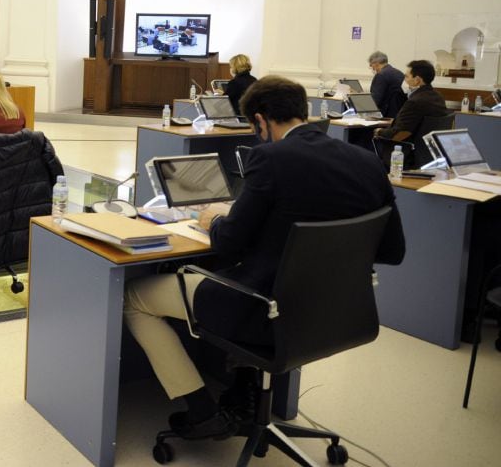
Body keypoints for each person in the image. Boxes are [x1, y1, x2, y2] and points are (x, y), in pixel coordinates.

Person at [122, 76, 404, 439]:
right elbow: (392, 250)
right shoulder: (368, 163)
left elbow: (228, 245)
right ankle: (241, 390)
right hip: (339, 311)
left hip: (264, 309)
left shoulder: (270, 158)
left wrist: (216, 219)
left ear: (261, 119)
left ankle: (202, 410)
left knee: (135, 298)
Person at [374, 60, 448, 141]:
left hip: (403, 149)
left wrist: (379, 131)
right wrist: (395, 121)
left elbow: (399, 133)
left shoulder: (414, 102)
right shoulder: (438, 97)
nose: (404, 80)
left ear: (417, 80)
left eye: (406, 77)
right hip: (427, 148)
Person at [367, 51, 407, 119]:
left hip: (385, 115)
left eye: (371, 65)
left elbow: (375, 100)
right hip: (399, 114)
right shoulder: (399, 73)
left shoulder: (381, 75)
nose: (372, 67)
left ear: (376, 63)